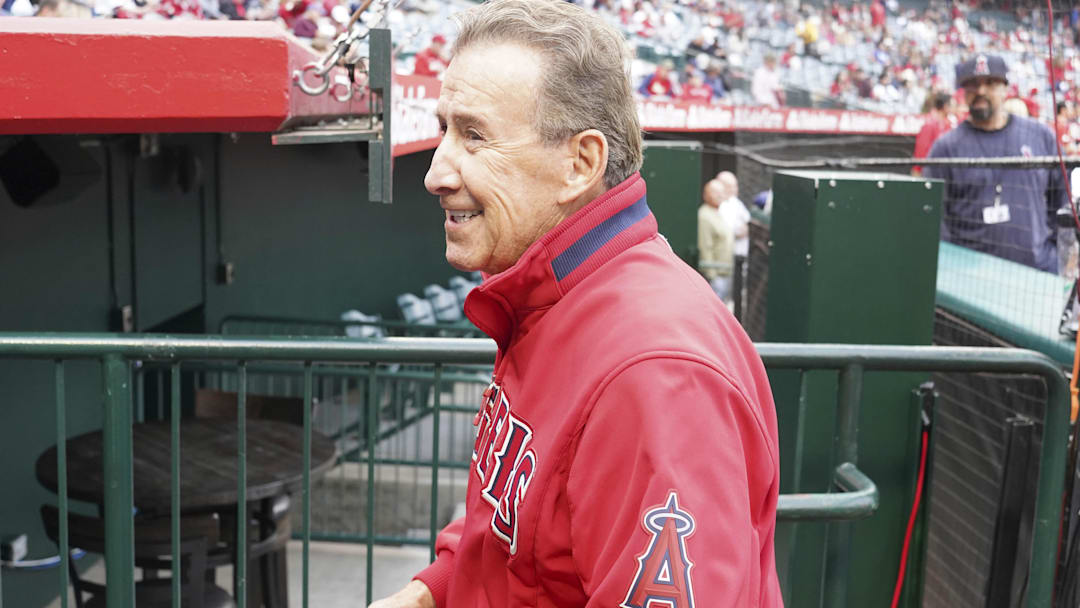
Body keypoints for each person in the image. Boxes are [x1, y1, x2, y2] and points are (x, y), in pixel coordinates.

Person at [369, 1, 783, 606]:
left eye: (475, 136)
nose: (436, 174)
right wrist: (429, 593)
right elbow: (518, 530)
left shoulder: (656, 375)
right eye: (445, 130)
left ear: (580, 164)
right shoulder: (553, 296)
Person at [926, 54, 1068, 273]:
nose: (981, 91)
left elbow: (1063, 197)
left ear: (1005, 88)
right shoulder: (946, 148)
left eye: (990, 83)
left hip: (1036, 273)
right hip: (971, 278)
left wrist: (1054, 253)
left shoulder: (1039, 136)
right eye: (973, 84)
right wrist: (952, 267)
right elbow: (934, 217)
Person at [698, 179, 735, 301]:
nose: (719, 196)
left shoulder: (719, 212)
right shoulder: (704, 216)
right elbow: (705, 247)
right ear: (705, 195)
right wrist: (712, 276)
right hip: (716, 276)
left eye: (721, 192)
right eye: (715, 192)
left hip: (725, 273)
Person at [912, 91, 955, 177]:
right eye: (953, 105)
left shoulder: (948, 123)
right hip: (929, 173)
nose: (955, 108)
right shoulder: (930, 123)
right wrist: (918, 172)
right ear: (946, 107)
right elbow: (921, 151)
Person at [717, 171, 751, 263]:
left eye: (735, 186)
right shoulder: (720, 205)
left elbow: (748, 221)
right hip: (727, 256)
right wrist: (741, 231)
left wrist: (747, 228)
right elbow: (729, 230)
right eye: (730, 186)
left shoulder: (736, 201)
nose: (734, 189)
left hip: (741, 254)